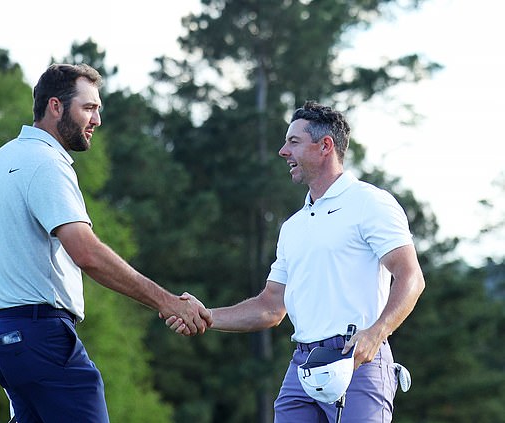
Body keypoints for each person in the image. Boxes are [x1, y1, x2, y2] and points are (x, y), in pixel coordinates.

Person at [0, 63, 212, 423]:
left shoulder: (2, 158)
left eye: (97, 108)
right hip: (41, 337)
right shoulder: (46, 164)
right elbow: (86, 253)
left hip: (2, 338)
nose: (97, 119)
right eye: (88, 108)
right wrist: (166, 302)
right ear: (55, 106)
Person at [166, 101, 425, 422]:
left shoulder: (370, 203)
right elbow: (270, 307)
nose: (282, 151)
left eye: (293, 142)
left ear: (325, 146)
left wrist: (376, 333)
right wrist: (205, 316)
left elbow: (411, 277)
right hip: (301, 368)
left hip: (358, 363)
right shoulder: (293, 227)